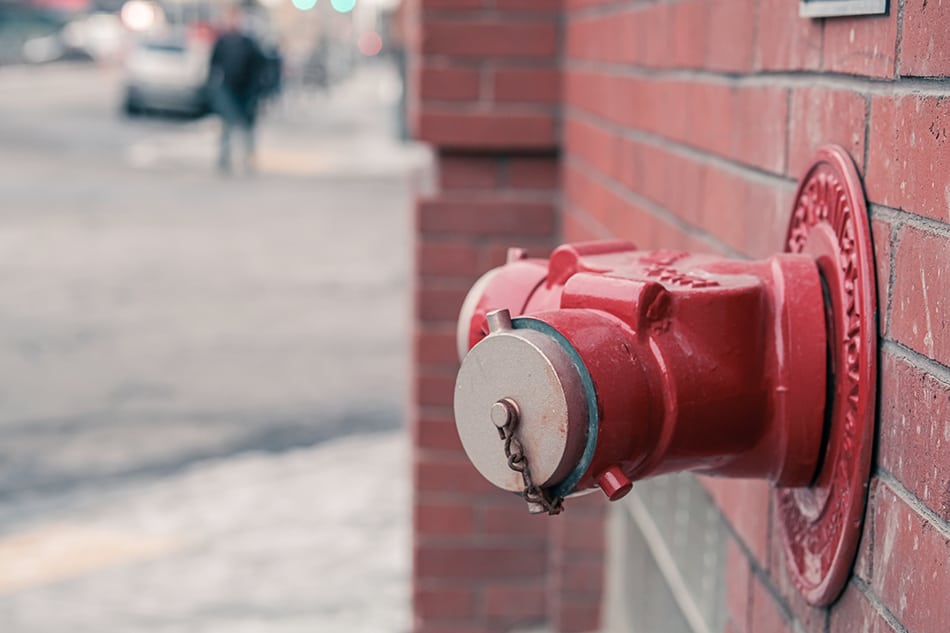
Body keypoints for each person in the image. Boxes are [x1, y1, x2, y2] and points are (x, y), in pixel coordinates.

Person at [207, 8, 265, 174]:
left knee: (247, 128)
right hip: (228, 88)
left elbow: (258, 67)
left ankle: (249, 159)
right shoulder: (223, 40)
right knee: (227, 125)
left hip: (246, 90)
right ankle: (224, 158)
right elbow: (213, 63)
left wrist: (256, 89)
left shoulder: (249, 43)